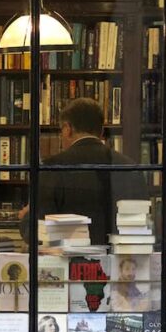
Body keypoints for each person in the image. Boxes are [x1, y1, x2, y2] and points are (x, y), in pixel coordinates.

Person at [19, 98, 147, 245]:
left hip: (69, 258)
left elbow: (36, 233)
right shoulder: (129, 166)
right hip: (120, 256)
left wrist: (27, 217)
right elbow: (141, 225)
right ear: (102, 131)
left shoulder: (52, 167)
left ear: (68, 129)